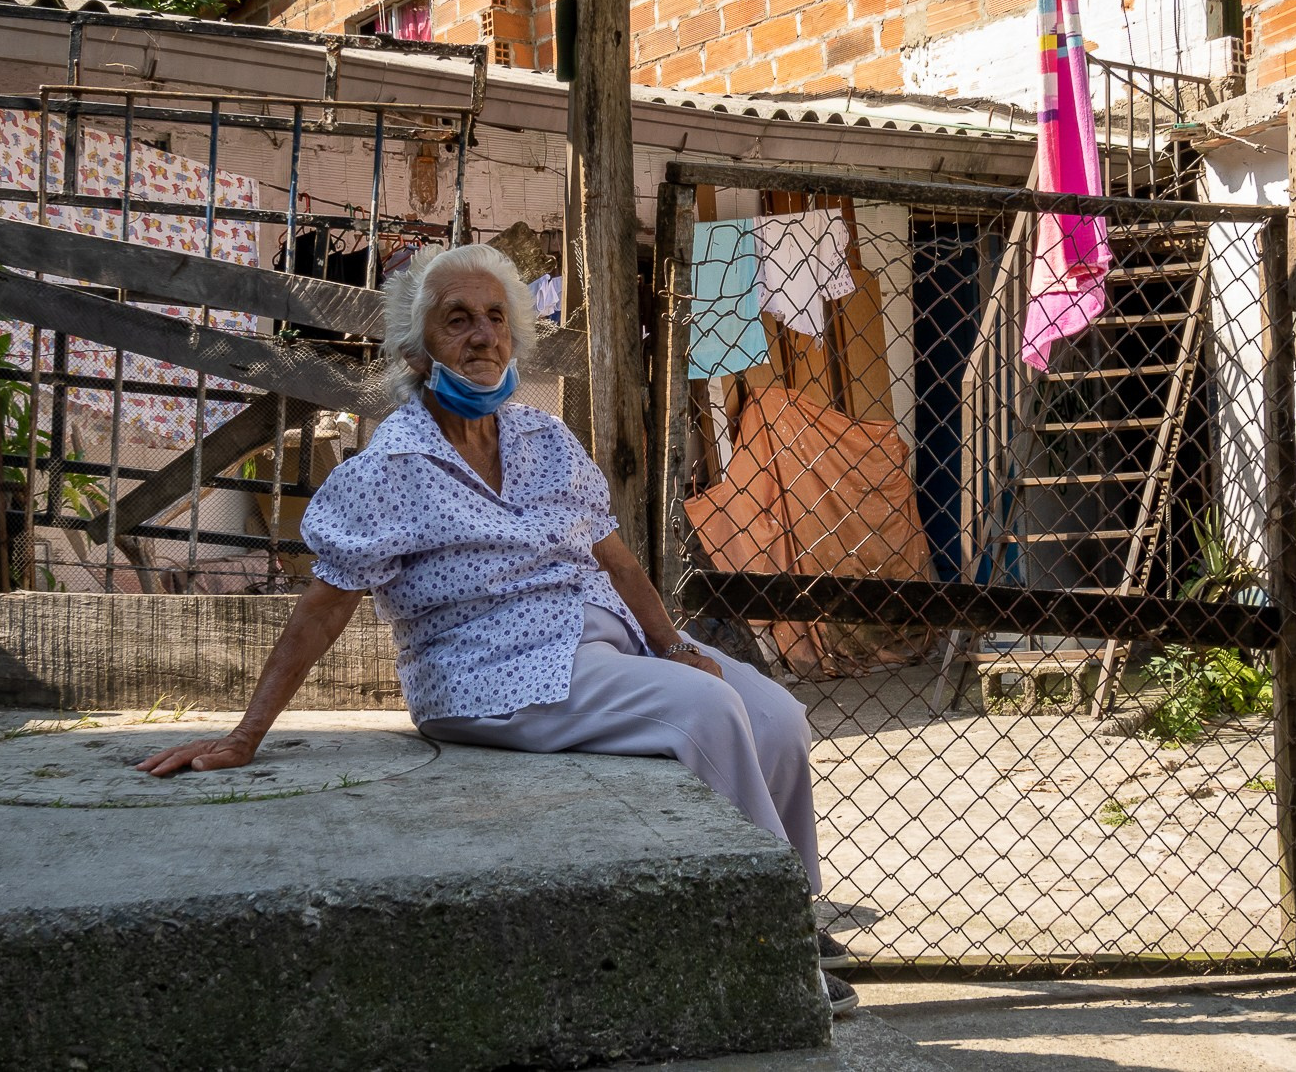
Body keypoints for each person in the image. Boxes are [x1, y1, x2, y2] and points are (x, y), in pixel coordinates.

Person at [136, 243, 856, 1015]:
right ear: (418, 352)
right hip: (492, 668)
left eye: (495, 318)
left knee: (778, 714)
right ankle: (762, 954)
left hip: (602, 636)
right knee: (707, 711)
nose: (482, 336)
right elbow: (322, 608)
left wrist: (674, 642)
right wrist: (246, 733)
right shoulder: (393, 466)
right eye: (458, 320)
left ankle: (791, 908)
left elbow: (617, 561)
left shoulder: (545, 440)